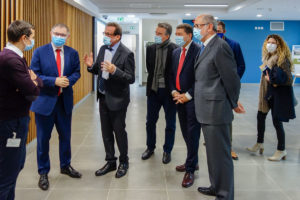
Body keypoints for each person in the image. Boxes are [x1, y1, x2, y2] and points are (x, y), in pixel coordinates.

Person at [193, 14, 244, 200]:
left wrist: (233, 103)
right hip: (206, 109)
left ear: (209, 27)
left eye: (198, 26)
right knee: (212, 154)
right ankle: (216, 186)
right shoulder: (205, 46)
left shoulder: (220, 47)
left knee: (221, 156)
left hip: (216, 110)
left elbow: (232, 79)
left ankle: (225, 194)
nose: (195, 29)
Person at [30, 23, 81, 191]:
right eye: (57, 33)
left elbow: (77, 72)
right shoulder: (39, 52)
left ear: (68, 37)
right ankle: (43, 172)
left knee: (65, 137)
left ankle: (65, 166)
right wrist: (54, 81)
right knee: (43, 139)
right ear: (51, 33)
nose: (59, 36)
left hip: (64, 102)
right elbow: (34, 75)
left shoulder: (72, 53)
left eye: (63, 34)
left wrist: (68, 80)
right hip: (45, 102)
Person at [84, 22, 135, 178]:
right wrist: (90, 66)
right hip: (103, 96)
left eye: (108, 34)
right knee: (106, 131)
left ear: (117, 36)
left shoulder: (126, 53)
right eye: (104, 33)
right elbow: (98, 70)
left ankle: (124, 162)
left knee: (119, 132)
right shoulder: (103, 49)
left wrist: (115, 70)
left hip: (118, 99)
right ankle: (111, 161)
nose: (105, 36)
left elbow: (130, 78)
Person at [0, 20, 43, 200]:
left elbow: (34, 83)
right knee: (8, 171)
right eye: (32, 37)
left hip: (15, 119)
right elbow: (34, 90)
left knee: (15, 165)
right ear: (24, 38)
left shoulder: (13, 57)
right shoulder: (11, 60)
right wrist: (34, 81)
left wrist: (34, 81)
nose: (33, 41)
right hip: (11, 123)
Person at [247, 34, 296, 161]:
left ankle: (281, 150)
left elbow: (289, 79)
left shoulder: (282, 58)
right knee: (260, 116)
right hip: (267, 92)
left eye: (273, 42)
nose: (270, 44)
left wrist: (272, 80)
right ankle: (259, 143)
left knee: (277, 121)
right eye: (269, 42)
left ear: (279, 44)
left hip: (277, 93)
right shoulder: (268, 56)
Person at [141, 23, 178, 164]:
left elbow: (175, 72)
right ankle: (150, 148)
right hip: (153, 91)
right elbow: (149, 68)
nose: (156, 35)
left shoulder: (175, 49)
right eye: (155, 32)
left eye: (159, 33)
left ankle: (167, 151)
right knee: (150, 122)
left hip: (169, 92)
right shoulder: (150, 48)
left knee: (170, 123)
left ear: (167, 35)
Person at [170, 23, 201, 188]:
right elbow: (171, 74)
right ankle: (193, 161)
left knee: (193, 133)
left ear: (189, 35)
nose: (177, 37)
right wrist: (174, 91)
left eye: (180, 34)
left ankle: (190, 170)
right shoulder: (176, 52)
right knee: (185, 132)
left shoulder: (199, 51)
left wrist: (188, 95)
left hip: (192, 99)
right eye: (176, 34)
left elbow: (201, 78)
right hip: (178, 98)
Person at [217, 20, 246, 160]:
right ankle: (212, 139)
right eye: (215, 30)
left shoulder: (234, 45)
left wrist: (233, 80)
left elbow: (241, 65)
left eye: (219, 30)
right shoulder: (205, 46)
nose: (217, 33)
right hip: (213, 87)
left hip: (229, 87)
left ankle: (229, 147)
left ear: (224, 31)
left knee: (227, 117)